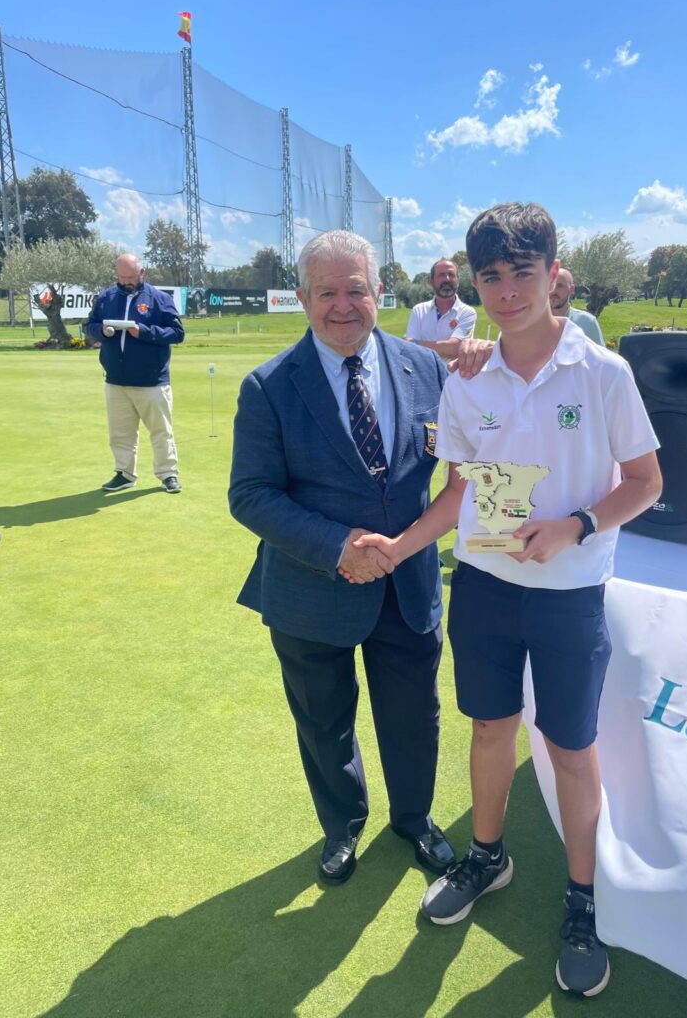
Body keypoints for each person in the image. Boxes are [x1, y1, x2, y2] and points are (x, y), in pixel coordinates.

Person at [348, 203, 661, 996]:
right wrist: (399, 548)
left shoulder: (604, 373)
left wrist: (576, 525)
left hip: (569, 596)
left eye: (523, 273)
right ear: (475, 284)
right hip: (485, 589)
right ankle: (488, 857)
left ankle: (582, 900)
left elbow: (645, 483)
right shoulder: (469, 379)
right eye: (491, 276)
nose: (507, 291)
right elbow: (460, 494)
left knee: (569, 750)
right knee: (490, 728)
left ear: (554, 275)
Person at [228, 231, 461, 886]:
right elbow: (250, 495)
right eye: (325, 292)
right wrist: (339, 548)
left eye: (355, 289)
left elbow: (460, 468)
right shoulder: (268, 386)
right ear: (302, 298)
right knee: (324, 722)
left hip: (408, 583)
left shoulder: (427, 368)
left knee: (414, 716)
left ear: (379, 291)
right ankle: (343, 824)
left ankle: (413, 818)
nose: (341, 305)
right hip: (310, 591)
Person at [87, 254, 184, 493]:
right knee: (120, 432)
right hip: (116, 380)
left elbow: (177, 333)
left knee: (161, 431)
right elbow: (90, 326)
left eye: (130, 277)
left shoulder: (159, 299)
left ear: (142, 273)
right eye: (121, 277)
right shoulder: (106, 297)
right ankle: (124, 473)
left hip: (152, 381)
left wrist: (144, 332)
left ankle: (168, 474)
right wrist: (102, 331)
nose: (126, 281)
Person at [405, 258, 478, 358]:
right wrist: (442, 347)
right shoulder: (418, 310)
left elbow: (454, 348)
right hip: (424, 368)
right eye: (441, 275)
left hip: (452, 369)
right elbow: (410, 350)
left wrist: (415, 343)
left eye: (451, 275)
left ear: (458, 280)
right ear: (431, 281)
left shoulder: (467, 312)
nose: (447, 279)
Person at [550, 267, 605, 346]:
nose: (554, 290)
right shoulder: (533, 322)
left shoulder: (587, 323)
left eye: (560, 286)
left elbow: (599, 353)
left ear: (571, 289)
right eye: (550, 284)